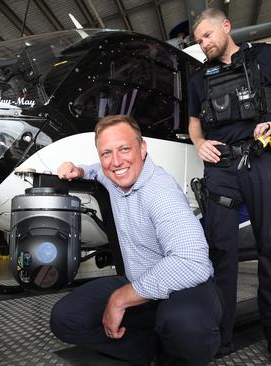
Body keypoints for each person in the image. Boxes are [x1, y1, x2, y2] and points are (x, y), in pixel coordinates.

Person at [188, 8, 271, 365]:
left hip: (262, 163)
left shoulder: (266, 56)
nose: (203, 44)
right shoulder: (198, 76)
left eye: (207, 36)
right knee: (220, 255)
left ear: (226, 27)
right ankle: (221, 337)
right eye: (199, 40)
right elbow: (193, 123)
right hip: (220, 169)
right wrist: (199, 142)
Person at [50, 115, 221, 365]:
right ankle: (152, 352)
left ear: (142, 149)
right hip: (141, 286)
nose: (116, 161)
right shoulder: (114, 173)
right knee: (65, 318)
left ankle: (180, 354)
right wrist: (80, 170)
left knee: (185, 325)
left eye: (124, 149)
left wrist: (120, 299)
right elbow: (99, 170)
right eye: (106, 153)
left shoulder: (161, 192)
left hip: (184, 288)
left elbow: (192, 261)